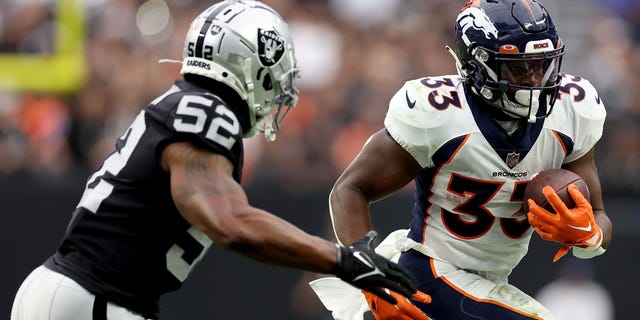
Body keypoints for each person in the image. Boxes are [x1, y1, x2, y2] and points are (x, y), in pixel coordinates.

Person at [10, 1, 421, 319]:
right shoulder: (206, 114)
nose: (280, 91)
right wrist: (340, 260)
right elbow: (231, 224)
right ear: (250, 67)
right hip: (94, 298)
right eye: (276, 74)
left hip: (83, 294)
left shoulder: (187, 104)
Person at [316, 0, 613, 319]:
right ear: (477, 64)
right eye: (519, 68)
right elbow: (349, 189)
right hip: (429, 276)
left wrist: (589, 233)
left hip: (487, 284)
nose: (534, 80)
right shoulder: (440, 114)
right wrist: (373, 280)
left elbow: (599, 218)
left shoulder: (573, 109)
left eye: (542, 65)